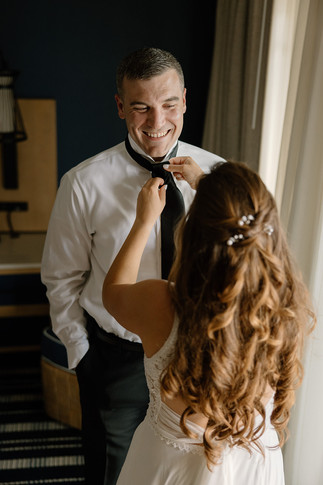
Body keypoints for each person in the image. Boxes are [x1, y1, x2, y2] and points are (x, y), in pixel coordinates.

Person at [40, 47, 224, 485]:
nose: (157, 122)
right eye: (141, 107)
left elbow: (247, 260)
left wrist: (214, 197)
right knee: (113, 471)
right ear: (120, 106)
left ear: (185, 99)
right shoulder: (83, 183)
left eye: (168, 105)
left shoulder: (219, 175)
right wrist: (81, 354)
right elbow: (62, 278)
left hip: (202, 356)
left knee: (189, 471)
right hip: (116, 358)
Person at [102, 160, 315, 485]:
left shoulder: (163, 305)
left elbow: (114, 293)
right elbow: (241, 228)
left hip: (168, 470)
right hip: (253, 468)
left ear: (193, 235)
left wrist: (143, 222)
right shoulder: (282, 309)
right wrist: (207, 186)